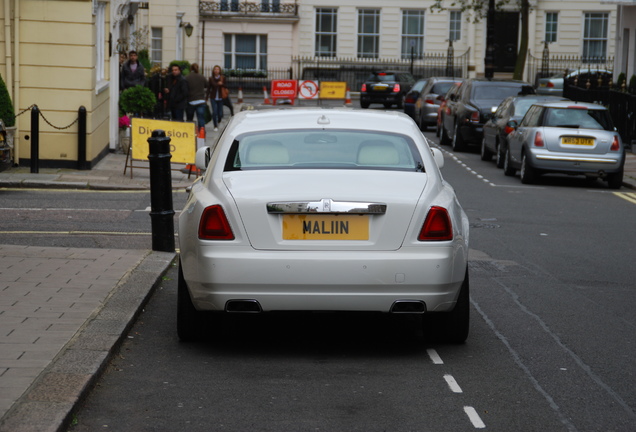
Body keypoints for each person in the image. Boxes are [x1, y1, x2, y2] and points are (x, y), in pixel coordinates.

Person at [185, 63, 209, 129]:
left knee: (190, 120)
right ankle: (201, 135)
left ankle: (190, 134)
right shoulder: (201, 76)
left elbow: (185, 88)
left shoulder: (187, 77)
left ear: (190, 68)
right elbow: (207, 85)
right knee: (201, 119)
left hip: (191, 101)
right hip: (201, 100)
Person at [208, 65, 229, 131]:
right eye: (215, 69)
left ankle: (219, 120)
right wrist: (206, 97)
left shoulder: (223, 78)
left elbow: (226, 86)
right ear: (213, 71)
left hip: (220, 97)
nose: (216, 71)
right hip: (213, 97)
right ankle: (215, 126)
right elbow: (209, 88)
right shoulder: (211, 78)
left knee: (220, 113)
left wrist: (222, 84)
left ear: (219, 71)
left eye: (217, 69)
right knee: (214, 112)